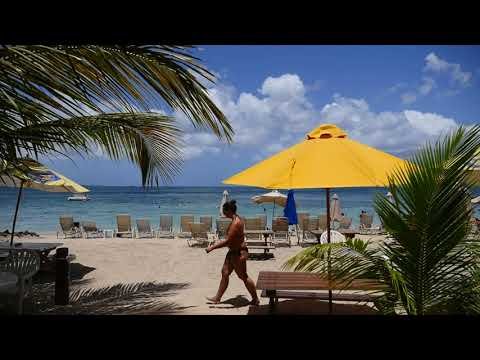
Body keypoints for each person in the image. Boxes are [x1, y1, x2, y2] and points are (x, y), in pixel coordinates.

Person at [205, 200, 260, 306]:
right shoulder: (236, 218)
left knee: (243, 276)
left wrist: (212, 247)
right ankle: (217, 297)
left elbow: (228, 242)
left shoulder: (236, 223)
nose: (223, 213)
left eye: (224, 211)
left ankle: (255, 299)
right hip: (232, 252)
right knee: (225, 272)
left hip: (238, 253)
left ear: (229, 210)